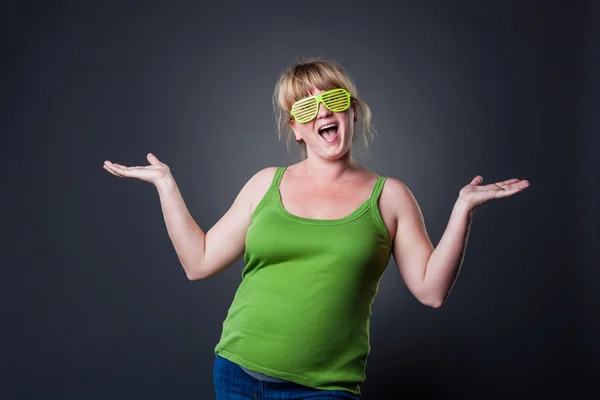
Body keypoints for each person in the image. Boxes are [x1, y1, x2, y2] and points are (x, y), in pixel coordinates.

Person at [103, 58, 530, 399]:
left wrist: (463, 209)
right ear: (296, 128)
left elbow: (431, 291)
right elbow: (198, 262)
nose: (323, 111)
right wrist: (165, 184)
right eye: (306, 107)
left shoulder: (390, 196)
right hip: (237, 374)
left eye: (334, 99)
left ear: (353, 111)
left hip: (325, 389)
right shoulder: (264, 183)